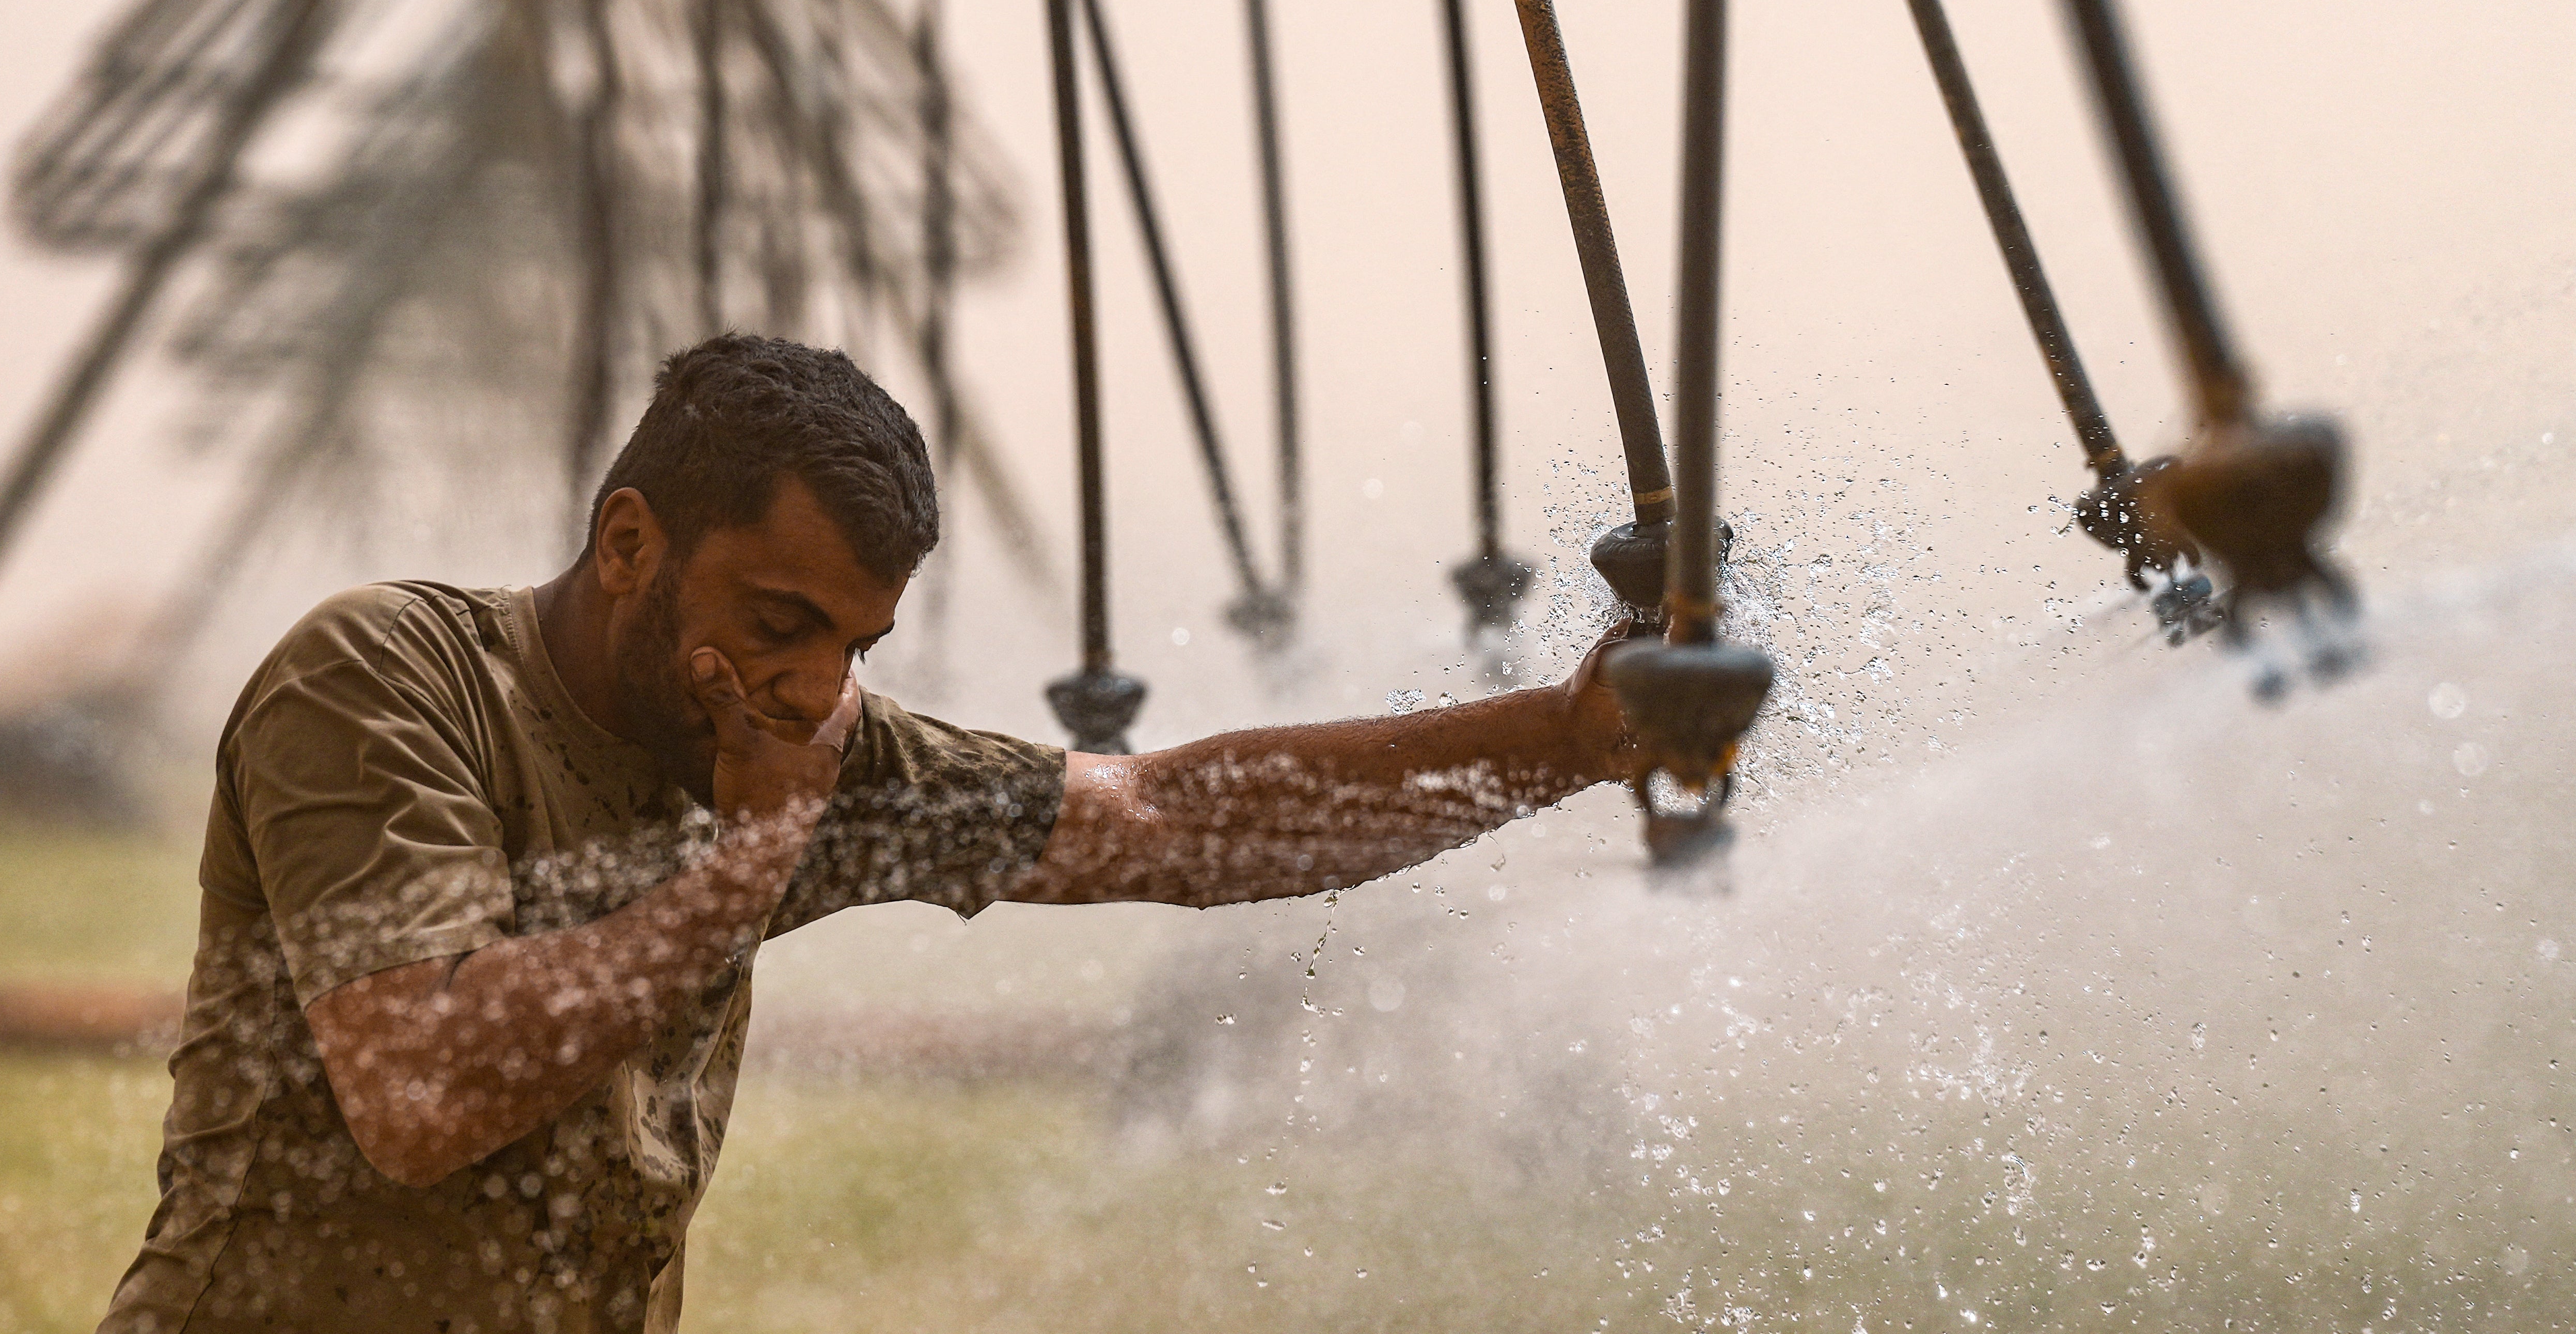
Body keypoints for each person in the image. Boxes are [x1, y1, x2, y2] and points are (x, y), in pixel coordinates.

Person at [101, 334, 1644, 1333]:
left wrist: (1566, 741)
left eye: (854, 642)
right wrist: (754, 867)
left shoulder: (780, 738)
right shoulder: (386, 677)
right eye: (777, 621)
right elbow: (421, 1088)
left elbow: (1167, 818)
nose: (813, 684)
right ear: (630, 541)